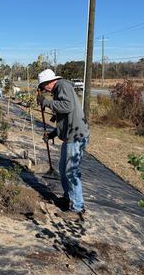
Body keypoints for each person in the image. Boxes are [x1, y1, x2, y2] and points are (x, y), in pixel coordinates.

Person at [37, 69, 90, 221]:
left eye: (43, 86)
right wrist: (53, 134)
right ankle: (69, 199)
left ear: (49, 83)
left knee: (71, 172)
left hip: (76, 135)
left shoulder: (62, 86)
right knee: (64, 169)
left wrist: (46, 102)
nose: (43, 89)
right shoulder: (60, 89)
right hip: (71, 135)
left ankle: (77, 209)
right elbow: (65, 117)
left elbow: (67, 106)